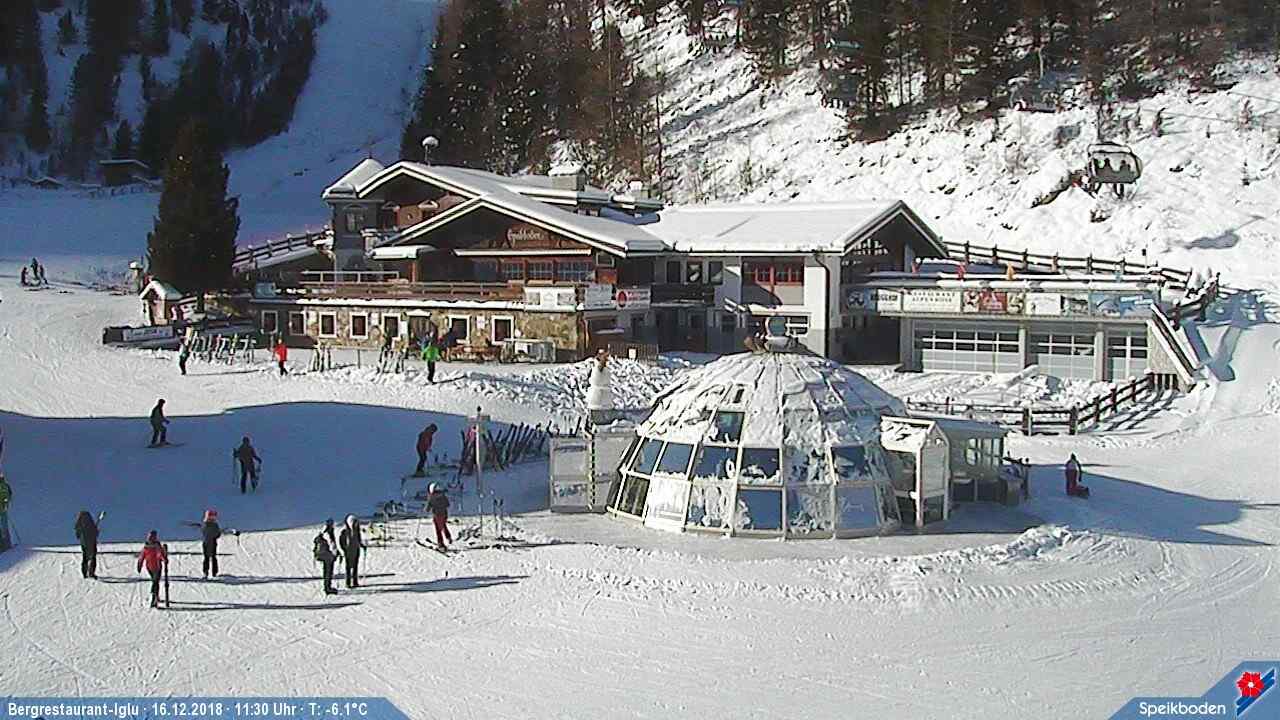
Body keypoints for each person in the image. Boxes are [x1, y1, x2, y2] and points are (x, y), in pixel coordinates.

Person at [136, 530, 168, 608]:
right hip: (154, 567)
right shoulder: (153, 547)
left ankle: (155, 596)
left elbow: (142, 556)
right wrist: (164, 559)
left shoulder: (149, 547)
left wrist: (139, 565)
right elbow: (159, 555)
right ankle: (154, 596)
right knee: (155, 582)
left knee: (154, 581)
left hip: (153, 567)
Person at [338, 515, 365, 588]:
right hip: (348, 552)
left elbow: (358, 540)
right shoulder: (345, 532)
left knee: (355, 566)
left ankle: (355, 582)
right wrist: (344, 550)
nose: (355, 524)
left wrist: (361, 545)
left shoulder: (356, 531)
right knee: (348, 567)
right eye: (354, 522)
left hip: (356, 550)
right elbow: (341, 542)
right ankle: (348, 583)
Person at [313, 520, 339, 594]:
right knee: (328, 572)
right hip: (328, 556)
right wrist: (335, 553)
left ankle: (327, 587)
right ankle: (328, 588)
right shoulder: (328, 533)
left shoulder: (322, 533)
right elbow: (331, 545)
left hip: (324, 555)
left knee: (326, 571)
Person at [74, 511, 99, 579]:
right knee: (92, 557)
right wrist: (95, 530)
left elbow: (77, 535)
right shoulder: (90, 524)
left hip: (84, 543)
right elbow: (95, 533)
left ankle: (85, 573)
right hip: (90, 542)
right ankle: (91, 573)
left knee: (85, 557)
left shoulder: (78, 525)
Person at [427, 483, 453, 550]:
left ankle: (440, 544)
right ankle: (448, 537)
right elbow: (447, 504)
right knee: (443, 525)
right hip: (444, 514)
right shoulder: (443, 495)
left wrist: (427, 508)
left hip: (437, 515)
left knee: (438, 529)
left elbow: (428, 508)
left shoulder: (431, 497)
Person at [200, 509, 222, 579]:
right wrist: (217, 534)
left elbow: (217, 534)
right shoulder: (207, 525)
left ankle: (212, 573)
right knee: (209, 558)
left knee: (211, 558)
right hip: (208, 543)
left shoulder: (209, 524)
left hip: (209, 543)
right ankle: (208, 572)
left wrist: (217, 534)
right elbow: (216, 534)